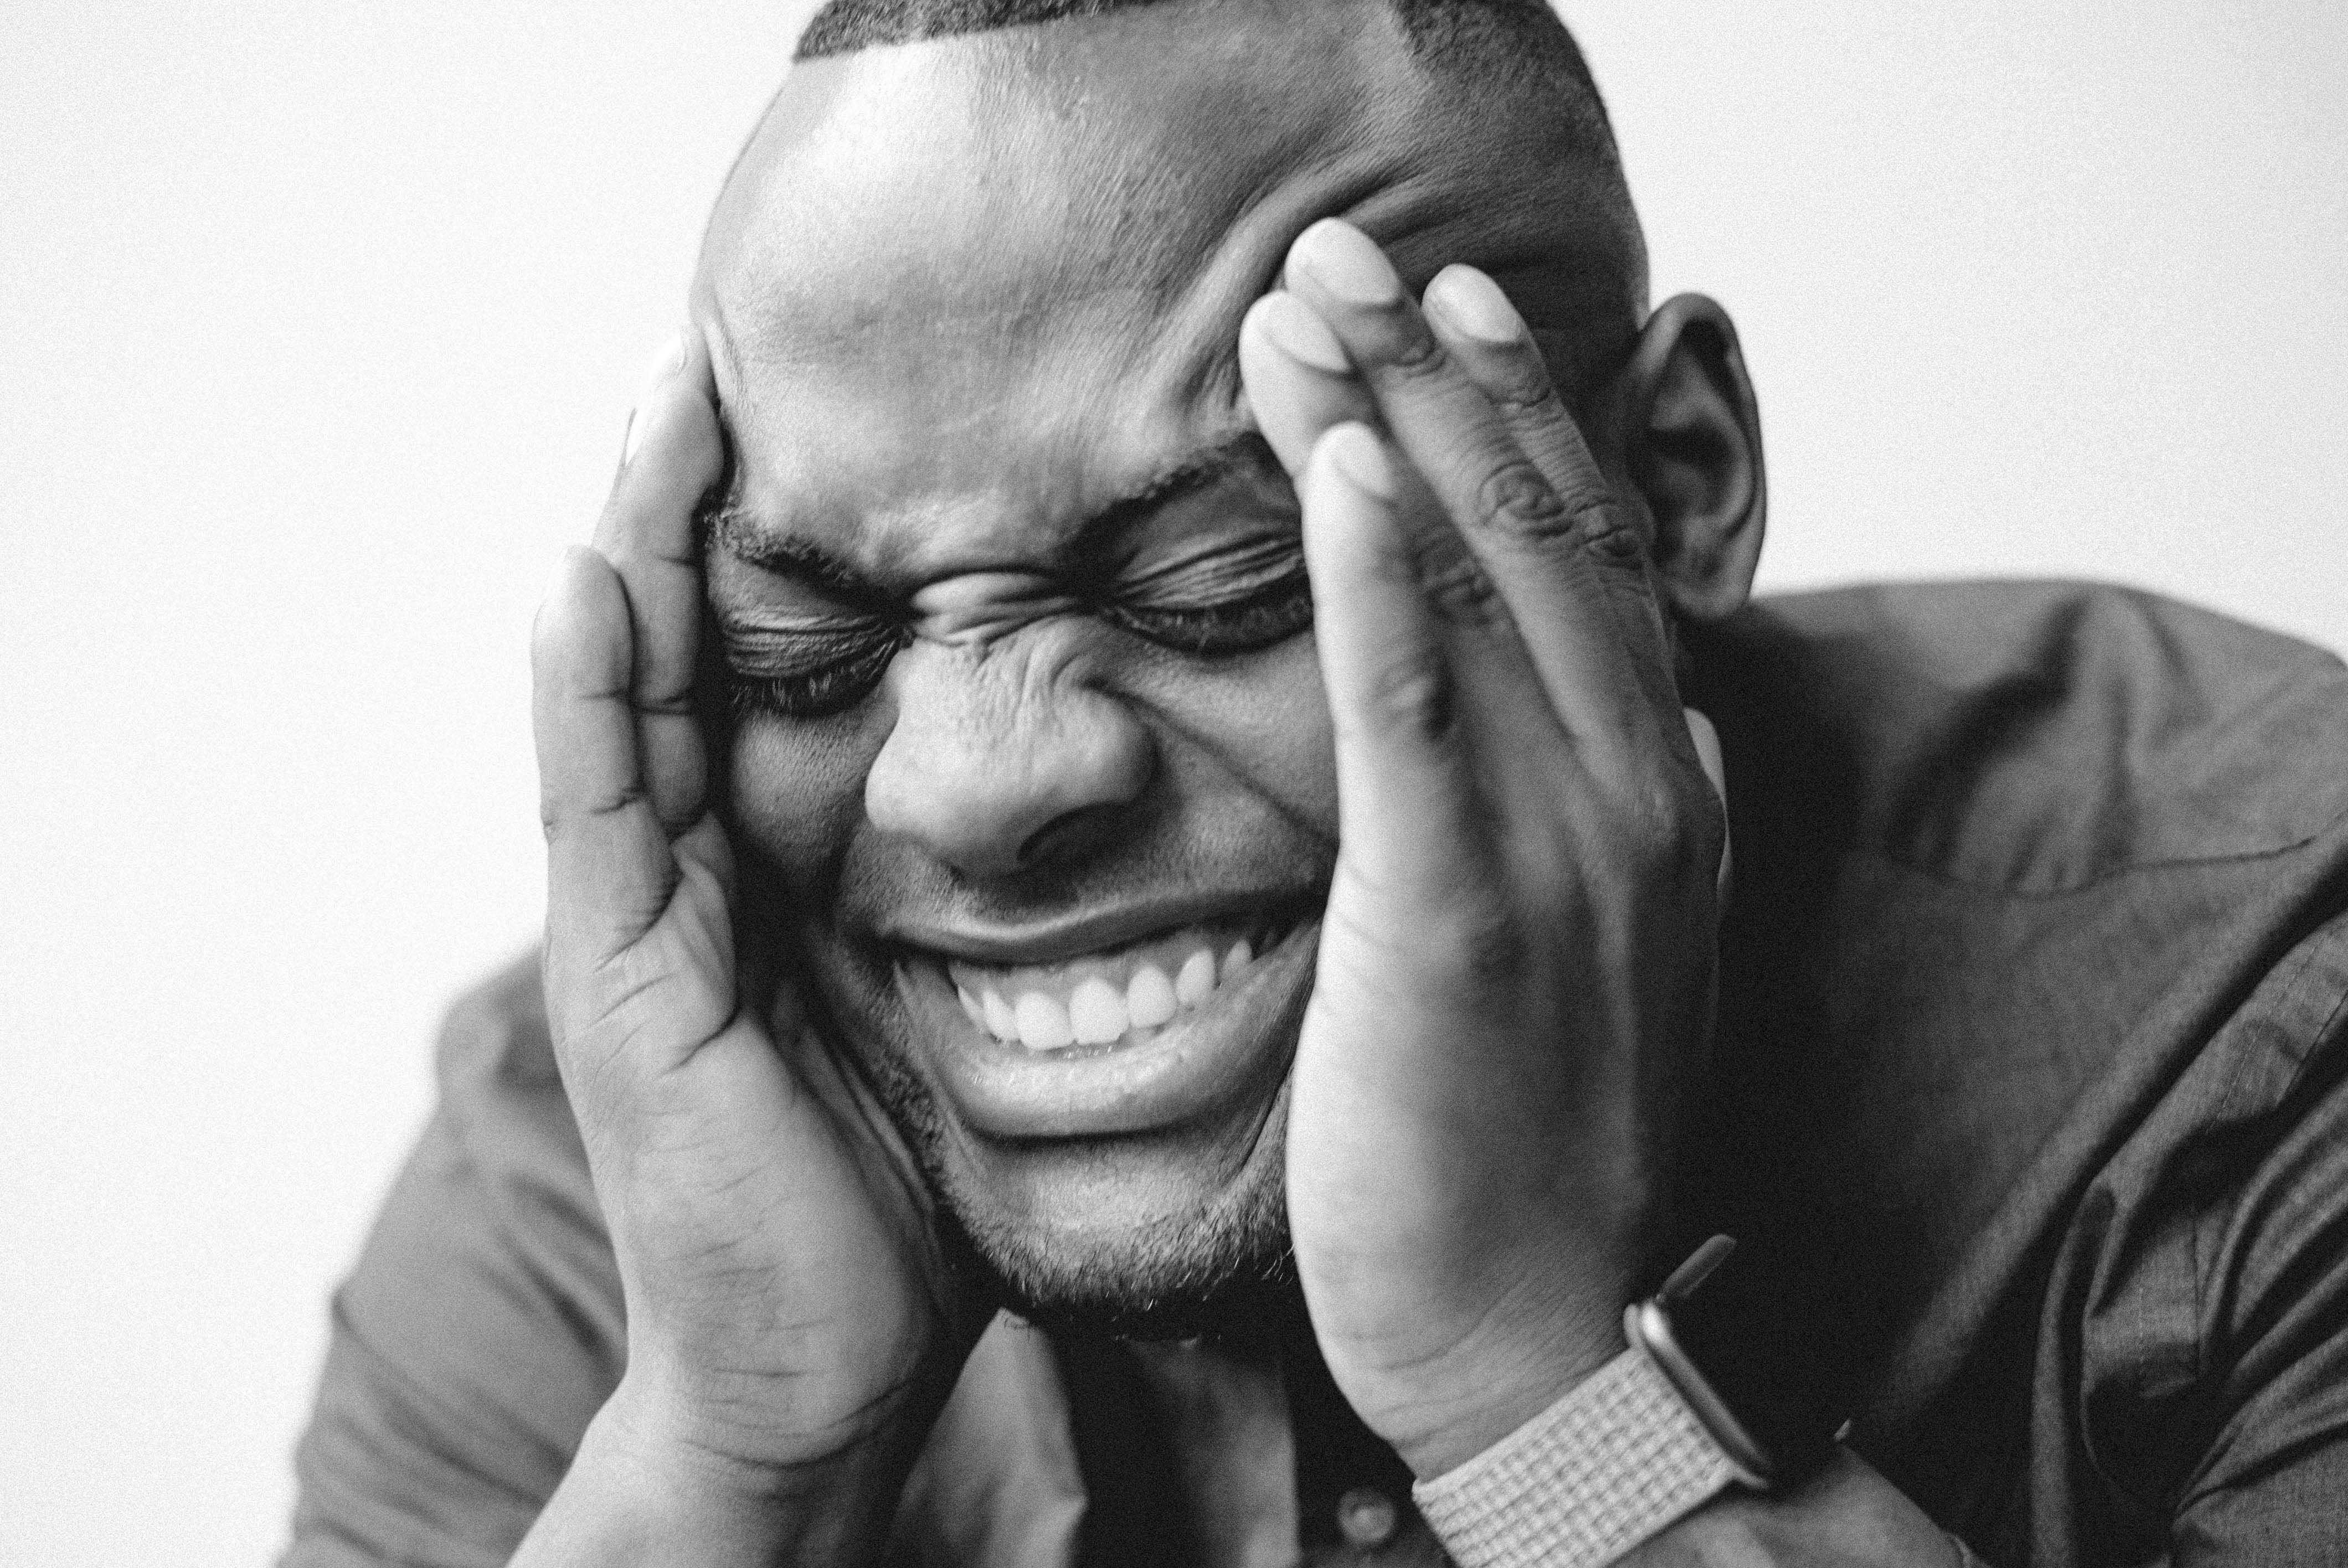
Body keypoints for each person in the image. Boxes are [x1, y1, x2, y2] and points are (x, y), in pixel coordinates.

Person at [281, 0, 2348, 1563]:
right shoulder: (608, 1182)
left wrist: (1541, 1398)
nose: (975, 788)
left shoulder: (2267, 1012)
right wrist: (736, 1450)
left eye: (1225, 571)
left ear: (1674, 485)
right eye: (806, 645)